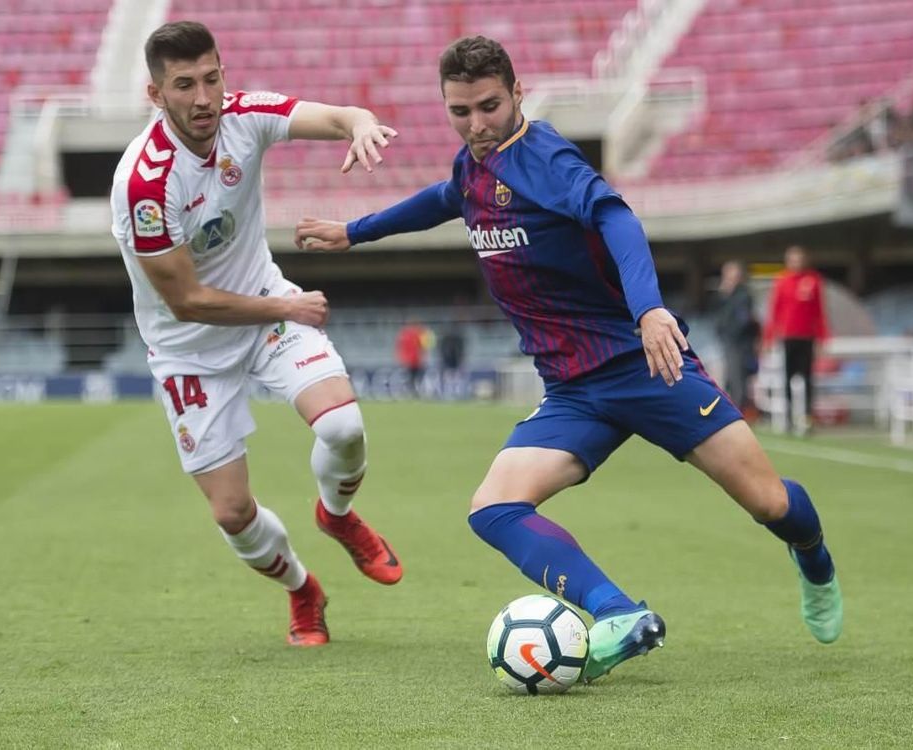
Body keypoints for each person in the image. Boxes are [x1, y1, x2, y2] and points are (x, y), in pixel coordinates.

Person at [294, 35, 842, 682]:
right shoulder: (474, 165)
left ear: (518, 93)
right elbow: (447, 199)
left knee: (768, 504)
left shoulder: (546, 157)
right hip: (572, 393)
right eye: (460, 111)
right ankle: (617, 614)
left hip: (646, 368)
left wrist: (649, 311)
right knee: (493, 509)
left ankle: (813, 556)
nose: (477, 124)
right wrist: (357, 232)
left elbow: (615, 217)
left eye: (490, 107)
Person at [109, 21, 403, 648]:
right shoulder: (146, 184)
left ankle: (338, 516)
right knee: (232, 513)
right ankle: (303, 589)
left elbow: (336, 115)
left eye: (212, 78)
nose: (204, 97)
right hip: (190, 348)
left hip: (266, 310)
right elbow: (186, 302)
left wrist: (359, 124)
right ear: (156, 95)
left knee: (343, 428)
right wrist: (287, 309)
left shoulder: (246, 115)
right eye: (184, 85)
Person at [763, 245, 829, 436]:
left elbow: (819, 311)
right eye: (793, 258)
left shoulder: (814, 280)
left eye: (799, 258)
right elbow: (774, 311)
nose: (796, 262)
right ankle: (789, 418)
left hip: (807, 337)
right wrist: (769, 337)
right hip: (788, 336)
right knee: (788, 379)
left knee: (807, 379)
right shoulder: (782, 280)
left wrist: (823, 337)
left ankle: (807, 419)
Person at [714, 260, 760, 414]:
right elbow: (719, 318)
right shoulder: (724, 296)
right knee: (730, 378)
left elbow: (743, 320)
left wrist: (733, 334)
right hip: (728, 342)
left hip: (740, 343)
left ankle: (738, 413)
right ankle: (730, 411)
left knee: (738, 379)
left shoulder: (743, 296)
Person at [394, 319, 432, 397]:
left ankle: (412, 391)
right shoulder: (417, 334)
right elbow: (423, 346)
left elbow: (400, 347)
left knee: (412, 377)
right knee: (414, 377)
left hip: (412, 360)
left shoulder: (405, 334)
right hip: (413, 360)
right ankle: (412, 391)